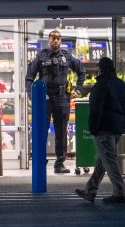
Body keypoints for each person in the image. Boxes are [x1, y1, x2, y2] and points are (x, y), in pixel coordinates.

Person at [26, 30, 86, 173]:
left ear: (61, 41)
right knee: (42, 131)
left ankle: (59, 164)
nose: (56, 41)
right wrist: (32, 97)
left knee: (61, 132)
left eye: (58, 39)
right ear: (49, 40)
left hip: (62, 99)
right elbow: (29, 78)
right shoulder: (41, 56)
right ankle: (40, 162)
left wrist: (77, 90)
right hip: (44, 99)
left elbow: (81, 71)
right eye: (53, 38)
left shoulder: (67, 56)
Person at [75, 57, 125, 204]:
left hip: (104, 128)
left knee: (109, 160)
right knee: (103, 161)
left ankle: (120, 192)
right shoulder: (120, 84)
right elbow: (123, 107)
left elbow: (96, 109)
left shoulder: (100, 85)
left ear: (101, 69)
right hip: (116, 127)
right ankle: (89, 191)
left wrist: (93, 127)